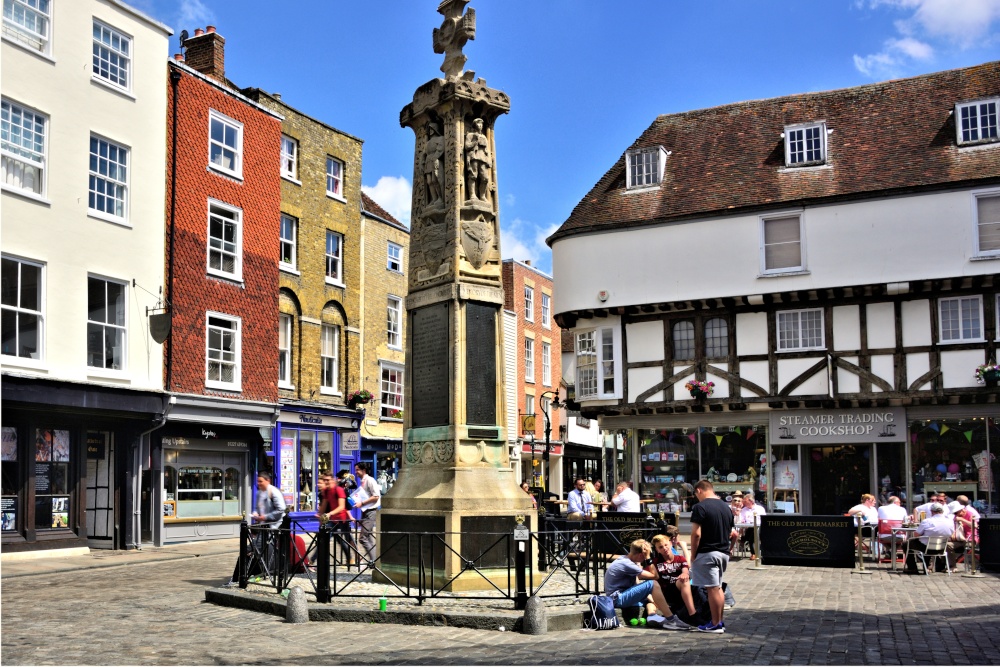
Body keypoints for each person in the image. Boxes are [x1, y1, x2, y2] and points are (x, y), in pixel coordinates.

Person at [604, 539, 691, 631]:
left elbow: (636, 582)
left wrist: (647, 596)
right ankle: (671, 619)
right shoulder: (627, 564)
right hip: (617, 598)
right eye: (645, 556)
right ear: (642, 554)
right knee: (652, 583)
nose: (644, 560)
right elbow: (655, 576)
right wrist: (648, 558)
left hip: (621, 595)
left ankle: (652, 616)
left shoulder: (625, 559)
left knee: (652, 596)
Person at [689, 479, 733, 633]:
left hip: (707, 552)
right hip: (723, 552)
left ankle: (715, 623)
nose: (697, 497)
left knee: (712, 589)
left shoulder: (700, 507)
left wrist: (693, 555)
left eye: (696, 494)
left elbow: (696, 534)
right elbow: (732, 533)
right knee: (717, 587)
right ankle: (719, 621)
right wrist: (730, 549)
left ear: (699, 490)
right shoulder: (726, 507)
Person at [226, 472, 286, 586]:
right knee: (255, 552)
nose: (258, 484)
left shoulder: (274, 492)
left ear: (268, 481)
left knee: (249, 550)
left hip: (272, 528)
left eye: (261, 481)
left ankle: (237, 579)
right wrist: (255, 514)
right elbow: (257, 508)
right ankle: (243, 577)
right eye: (257, 481)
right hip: (263, 528)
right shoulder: (259, 493)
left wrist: (266, 517)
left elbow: (281, 510)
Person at [648, 534, 698, 619]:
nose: (664, 548)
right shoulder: (655, 562)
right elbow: (652, 576)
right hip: (663, 592)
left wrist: (684, 574)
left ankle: (692, 614)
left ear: (671, 544)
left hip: (678, 588)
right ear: (657, 550)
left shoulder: (680, 558)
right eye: (660, 547)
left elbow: (685, 570)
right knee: (650, 602)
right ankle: (653, 616)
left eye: (666, 545)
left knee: (684, 579)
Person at [904, 502, 955, 574]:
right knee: (926, 543)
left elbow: (916, 534)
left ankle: (912, 567)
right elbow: (952, 533)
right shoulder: (950, 521)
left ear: (931, 512)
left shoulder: (927, 521)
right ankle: (927, 567)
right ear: (942, 511)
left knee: (906, 544)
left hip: (926, 548)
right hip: (942, 547)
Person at [354, 462, 381, 566]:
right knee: (368, 537)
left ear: (363, 470)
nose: (356, 472)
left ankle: (374, 561)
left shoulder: (370, 480)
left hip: (371, 512)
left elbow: (376, 496)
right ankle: (374, 560)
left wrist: (362, 503)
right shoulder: (363, 481)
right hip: (365, 511)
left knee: (363, 538)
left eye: (357, 470)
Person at [464, 117, 490, 201]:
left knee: (485, 178)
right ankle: (472, 195)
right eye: (478, 124)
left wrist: (489, 160)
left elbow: (487, 150)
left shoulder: (484, 137)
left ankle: (482, 196)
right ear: (475, 125)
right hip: (474, 157)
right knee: (473, 176)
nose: (480, 125)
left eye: (481, 124)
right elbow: (467, 146)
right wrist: (475, 141)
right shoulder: (470, 135)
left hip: (483, 158)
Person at [738, 493, 766, 561]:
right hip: (749, 528)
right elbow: (741, 519)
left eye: (745, 501)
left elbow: (764, 519)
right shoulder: (744, 510)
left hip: (760, 528)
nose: (743, 502)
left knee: (753, 535)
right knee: (752, 534)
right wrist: (743, 521)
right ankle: (754, 553)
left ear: (751, 501)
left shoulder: (760, 509)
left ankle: (744, 541)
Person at [423, 121, 444, 205]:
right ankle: (434, 199)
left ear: (436, 129)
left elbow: (441, 148)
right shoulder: (427, 143)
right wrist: (422, 162)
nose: (430, 131)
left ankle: (440, 198)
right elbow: (424, 154)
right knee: (429, 181)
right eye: (429, 129)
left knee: (435, 179)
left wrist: (435, 157)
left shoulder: (440, 138)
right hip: (428, 161)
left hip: (435, 160)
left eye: (432, 129)